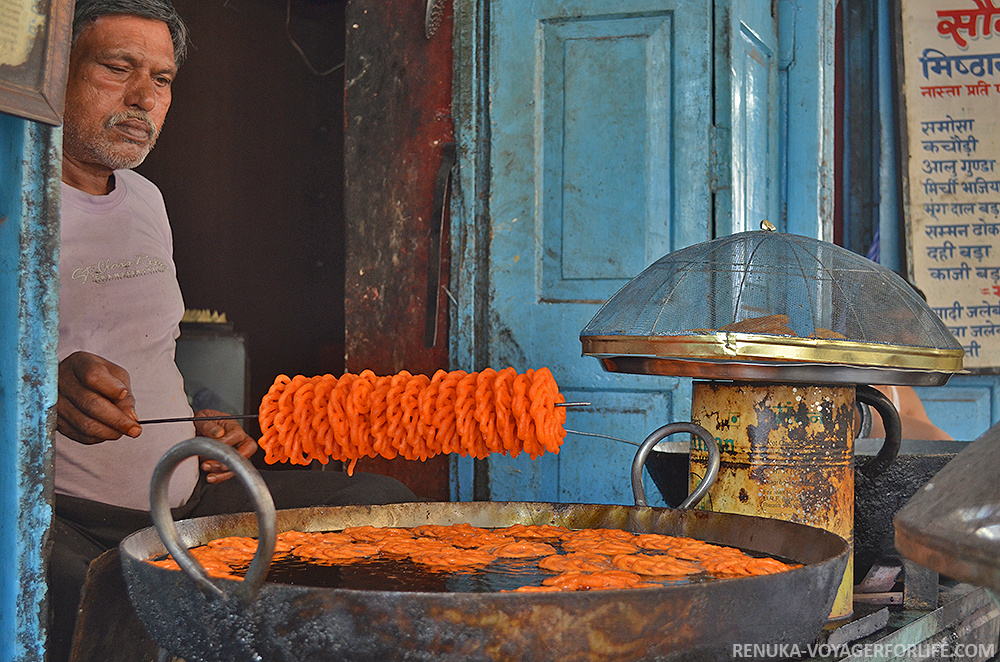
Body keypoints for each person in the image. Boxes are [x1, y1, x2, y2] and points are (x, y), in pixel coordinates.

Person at [50, 2, 416, 659]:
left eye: (161, 80)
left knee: (379, 504)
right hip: (74, 518)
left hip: (189, 495)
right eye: (117, 68)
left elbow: (149, 349)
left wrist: (199, 416)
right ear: (58, 71)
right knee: (114, 612)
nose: (142, 98)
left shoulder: (144, 200)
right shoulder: (17, 199)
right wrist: (41, 393)